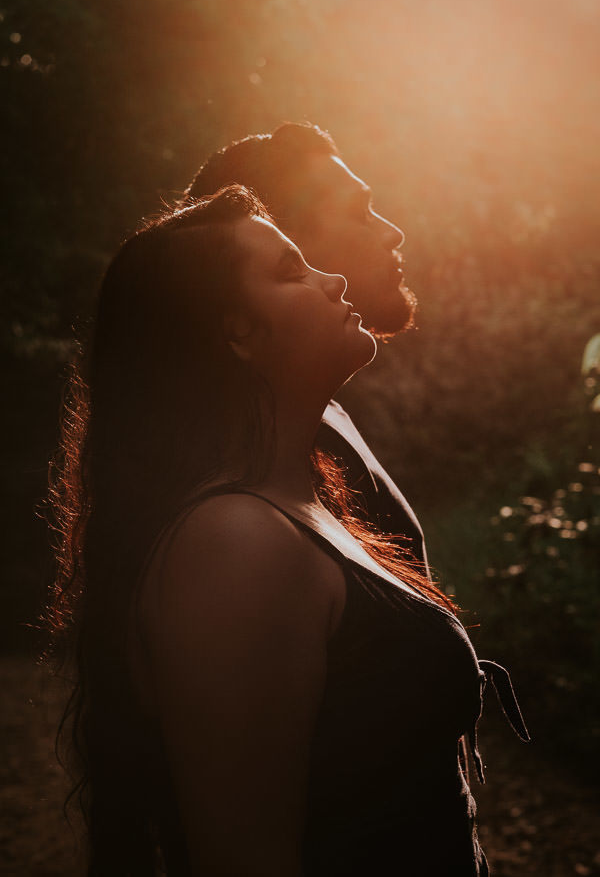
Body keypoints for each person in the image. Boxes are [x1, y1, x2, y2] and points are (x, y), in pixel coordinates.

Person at [47, 185, 529, 876]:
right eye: (291, 271)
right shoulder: (233, 545)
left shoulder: (302, 504)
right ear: (238, 332)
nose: (332, 278)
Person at [183, 123, 429, 577]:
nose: (393, 233)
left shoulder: (315, 414)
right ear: (280, 242)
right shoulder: (263, 464)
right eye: (361, 212)